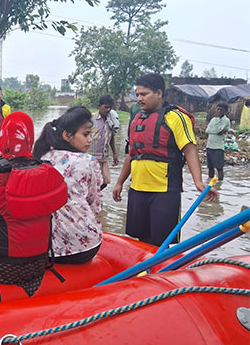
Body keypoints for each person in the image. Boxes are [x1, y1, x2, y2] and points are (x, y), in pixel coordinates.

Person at [113, 73, 218, 247]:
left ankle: (160, 272)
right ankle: (144, 272)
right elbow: (132, 153)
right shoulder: (137, 118)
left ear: (159, 93)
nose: (139, 98)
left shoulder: (176, 117)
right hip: (137, 187)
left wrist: (199, 182)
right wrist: (119, 183)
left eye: (144, 94)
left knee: (161, 242)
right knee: (141, 240)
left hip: (164, 190)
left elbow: (190, 150)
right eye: (137, 94)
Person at [0, 112, 67, 298]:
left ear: (4, 136)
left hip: (2, 266)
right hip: (40, 262)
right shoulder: (46, 169)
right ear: (30, 137)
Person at [33, 107, 103, 263]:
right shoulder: (88, 161)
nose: (90, 140)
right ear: (66, 135)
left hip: (45, 247)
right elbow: (95, 206)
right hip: (84, 247)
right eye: (86, 134)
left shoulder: (41, 157)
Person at [90, 95, 119, 189]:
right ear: (99, 106)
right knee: (91, 182)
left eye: (110, 107)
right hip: (91, 157)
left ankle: (95, 196)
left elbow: (111, 138)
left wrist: (115, 154)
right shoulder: (91, 119)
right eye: (105, 107)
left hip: (104, 157)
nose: (108, 110)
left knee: (105, 182)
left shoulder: (111, 121)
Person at [205, 102, 231, 181]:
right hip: (209, 146)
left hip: (218, 148)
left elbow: (218, 131)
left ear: (225, 111)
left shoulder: (226, 120)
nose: (219, 111)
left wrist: (217, 130)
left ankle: (220, 184)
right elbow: (207, 130)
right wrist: (217, 130)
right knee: (210, 167)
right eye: (218, 109)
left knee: (219, 168)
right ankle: (210, 184)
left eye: (221, 110)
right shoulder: (213, 119)